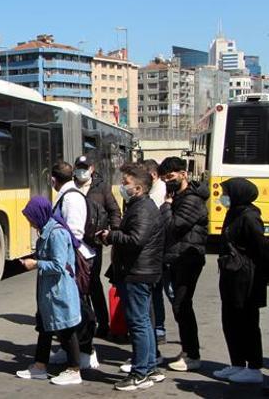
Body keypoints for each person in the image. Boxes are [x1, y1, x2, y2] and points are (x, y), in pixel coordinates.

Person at [100, 163, 165, 391]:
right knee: (143, 321)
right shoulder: (139, 206)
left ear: (138, 188)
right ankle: (148, 367)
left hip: (138, 273)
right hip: (140, 271)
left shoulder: (143, 208)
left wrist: (112, 235)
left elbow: (136, 239)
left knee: (138, 323)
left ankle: (140, 373)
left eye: (126, 183)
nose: (122, 186)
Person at [15, 196, 83, 386]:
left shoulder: (56, 233)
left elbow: (59, 265)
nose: (29, 222)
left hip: (59, 291)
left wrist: (36, 263)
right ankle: (39, 366)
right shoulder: (47, 230)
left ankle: (74, 369)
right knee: (45, 327)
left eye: (30, 217)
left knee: (66, 329)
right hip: (49, 292)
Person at [213, 178, 269, 384]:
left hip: (246, 279)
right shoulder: (233, 213)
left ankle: (254, 367)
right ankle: (237, 363)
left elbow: (261, 250)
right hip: (231, 276)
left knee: (247, 323)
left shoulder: (250, 217)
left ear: (238, 194)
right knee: (230, 321)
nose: (222, 197)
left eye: (226, 192)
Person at [158, 157, 208, 372]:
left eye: (171, 177)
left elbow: (175, 227)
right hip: (178, 257)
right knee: (180, 305)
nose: (168, 181)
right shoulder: (179, 195)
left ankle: (192, 354)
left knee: (182, 305)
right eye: (164, 178)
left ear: (183, 174)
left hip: (188, 258)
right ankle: (188, 351)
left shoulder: (191, 199)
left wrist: (167, 207)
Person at [49, 161, 98, 370]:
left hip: (77, 260)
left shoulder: (71, 198)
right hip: (72, 259)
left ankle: (86, 351)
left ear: (53, 179)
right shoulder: (69, 195)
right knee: (69, 307)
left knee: (79, 308)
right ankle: (70, 348)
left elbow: (75, 233)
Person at [73, 155, 122, 339]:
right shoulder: (71, 187)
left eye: (85, 167)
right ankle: (84, 321)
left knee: (93, 282)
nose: (82, 171)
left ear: (92, 169)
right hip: (76, 243)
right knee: (78, 284)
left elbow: (114, 211)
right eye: (79, 167)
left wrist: (112, 234)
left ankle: (102, 322)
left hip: (94, 243)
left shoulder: (101, 187)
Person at [140, 159, 168, 345]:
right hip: (154, 252)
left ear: (153, 175)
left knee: (157, 293)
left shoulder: (158, 193)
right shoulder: (154, 191)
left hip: (154, 253)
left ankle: (157, 330)